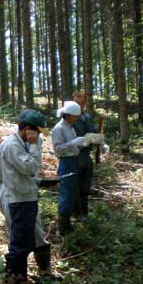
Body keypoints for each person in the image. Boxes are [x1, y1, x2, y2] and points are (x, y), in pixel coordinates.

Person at [0, 109, 52, 284]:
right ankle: (15, 283)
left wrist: (35, 182)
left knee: (37, 236)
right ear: (28, 129)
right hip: (18, 199)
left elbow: (15, 171)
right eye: (37, 132)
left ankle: (44, 272)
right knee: (19, 243)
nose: (39, 137)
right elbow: (30, 167)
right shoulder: (12, 145)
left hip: (26, 195)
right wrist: (35, 146)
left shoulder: (22, 143)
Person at [51, 101, 85, 236]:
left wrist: (81, 143)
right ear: (69, 115)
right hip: (66, 162)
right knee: (67, 193)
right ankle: (62, 227)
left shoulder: (70, 127)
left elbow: (72, 145)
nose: (77, 119)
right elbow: (58, 149)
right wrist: (72, 143)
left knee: (74, 192)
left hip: (74, 160)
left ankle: (68, 224)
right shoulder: (59, 128)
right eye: (76, 116)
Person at [72, 91, 97, 218]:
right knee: (76, 188)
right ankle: (77, 214)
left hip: (86, 157)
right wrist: (88, 139)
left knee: (85, 188)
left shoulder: (87, 117)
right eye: (77, 103)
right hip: (75, 158)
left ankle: (85, 214)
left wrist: (99, 140)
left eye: (82, 103)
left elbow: (93, 134)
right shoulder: (70, 119)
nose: (80, 105)